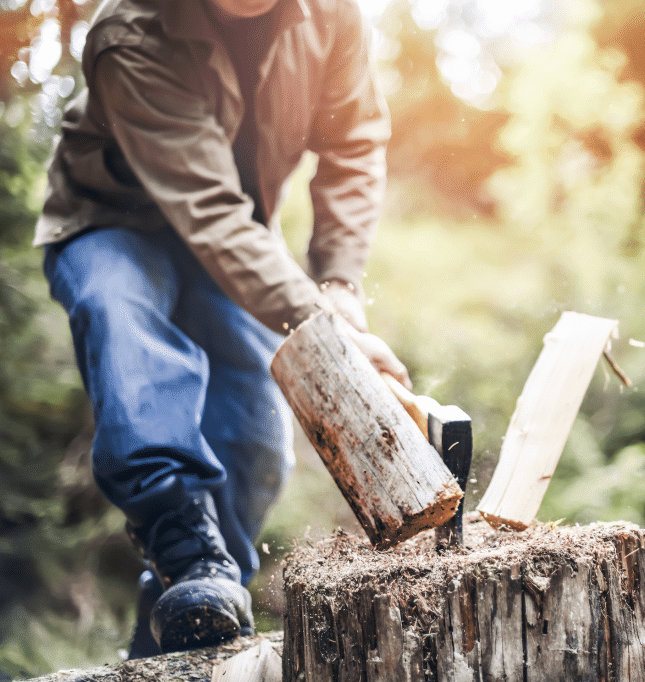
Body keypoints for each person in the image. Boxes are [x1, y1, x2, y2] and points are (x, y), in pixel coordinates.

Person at [33, 0, 408, 658]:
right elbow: (207, 209)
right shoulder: (131, 33)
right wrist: (322, 326)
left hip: (238, 241)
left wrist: (339, 284)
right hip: (111, 222)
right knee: (127, 334)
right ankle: (183, 543)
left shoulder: (332, 16)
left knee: (257, 438)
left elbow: (353, 144)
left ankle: (194, 615)